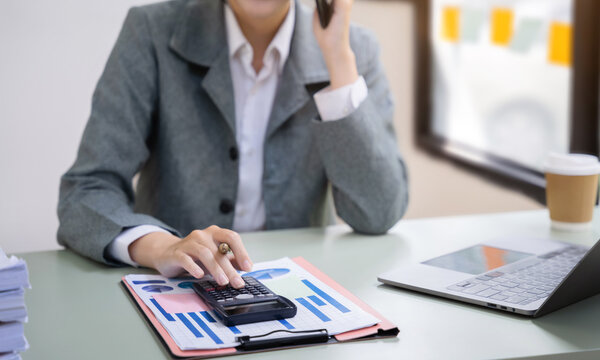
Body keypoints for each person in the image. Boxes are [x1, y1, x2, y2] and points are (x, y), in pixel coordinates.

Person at [57, 0, 408, 288]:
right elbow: (86, 191)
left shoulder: (353, 49)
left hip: (296, 294)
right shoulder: (152, 30)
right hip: (177, 292)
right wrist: (164, 247)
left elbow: (378, 212)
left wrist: (337, 61)